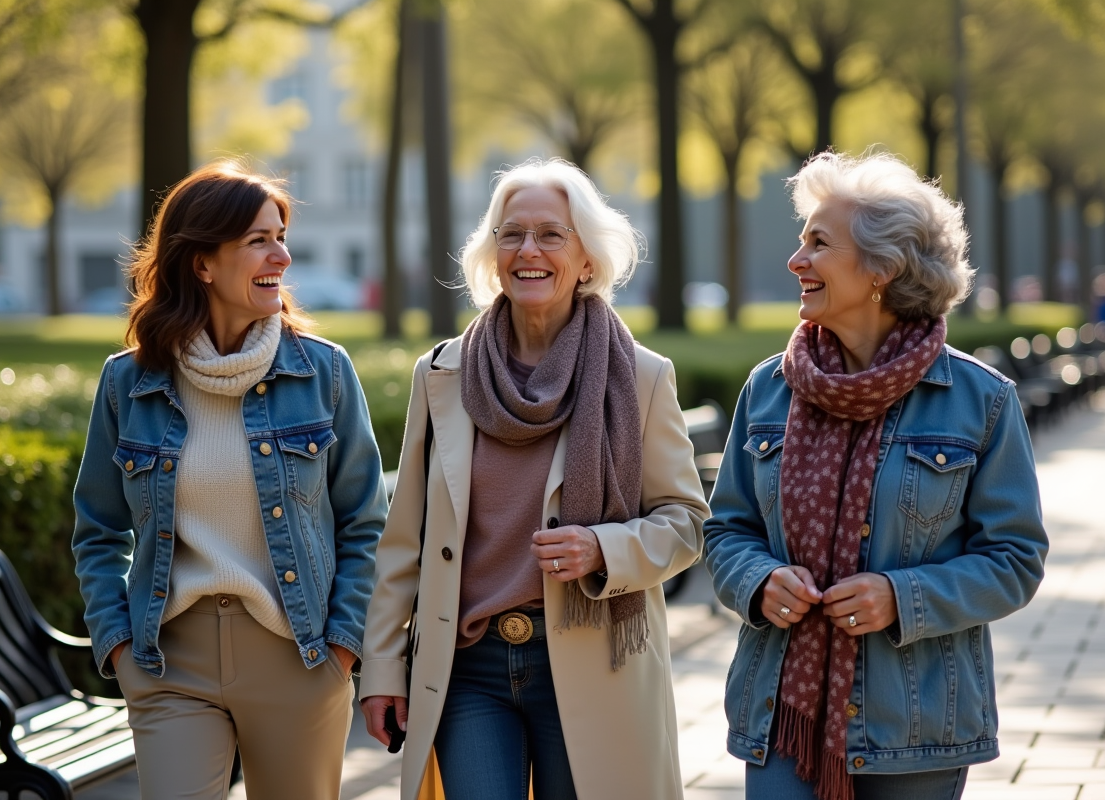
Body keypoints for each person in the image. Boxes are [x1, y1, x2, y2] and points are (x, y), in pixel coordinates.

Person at [358, 158, 709, 800]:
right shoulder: (441, 374)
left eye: (551, 234)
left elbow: (686, 521)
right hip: (468, 667)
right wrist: (382, 666)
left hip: (590, 657)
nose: (529, 250)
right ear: (492, 256)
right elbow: (403, 538)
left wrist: (603, 548)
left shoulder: (642, 377)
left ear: (587, 259)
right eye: (511, 234)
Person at [705, 151, 1048, 800]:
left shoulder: (981, 400)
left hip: (916, 724)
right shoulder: (767, 390)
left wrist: (902, 597)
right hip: (781, 715)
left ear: (882, 270)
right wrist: (758, 579)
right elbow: (726, 530)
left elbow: (1016, 559)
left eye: (818, 243)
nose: (795, 260)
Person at [71, 162, 387, 798]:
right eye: (258, 240)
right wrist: (120, 650)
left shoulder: (322, 372)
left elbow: (365, 520)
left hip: (297, 655)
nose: (283, 255)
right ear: (202, 263)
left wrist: (342, 649)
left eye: (280, 235)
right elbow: (97, 530)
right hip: (169, 660)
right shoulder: (128, 383)